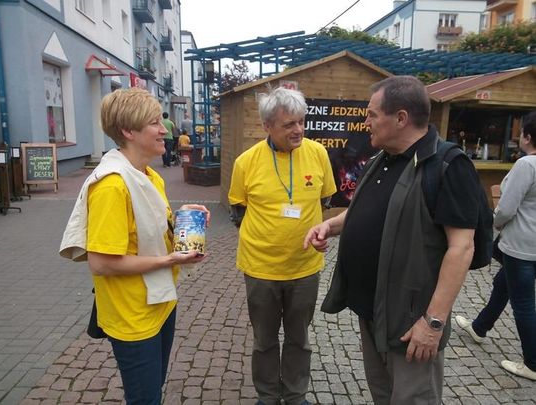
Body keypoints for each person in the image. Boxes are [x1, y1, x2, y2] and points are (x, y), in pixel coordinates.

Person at [304, 76, 480, 404]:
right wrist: (329, 226)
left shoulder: (447, 165)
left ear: (400, 118)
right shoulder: (379, 160)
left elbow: (462, 247)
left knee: (413, 398)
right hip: (373, 310)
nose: (365, 122)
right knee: (383, 395)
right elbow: (365, 211)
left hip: (411, 321)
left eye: (372, 115)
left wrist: (433, 323)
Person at [59, 88, 210, 404]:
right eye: (154, 123)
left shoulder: (148, 175)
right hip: (132, 315)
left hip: (161, 302)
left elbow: (147, 228)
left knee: (152, 391)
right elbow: (102, 263)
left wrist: (183, 218)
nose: (163, 129)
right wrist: (169, 260)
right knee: (144, 399)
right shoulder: (112, 186)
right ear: (129, 131)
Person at [228, 86, 336, 405]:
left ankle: (295, 394)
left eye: (301, 121)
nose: (298, 129)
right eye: (289, 124)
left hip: (304, 268)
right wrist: (268, 238)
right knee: (264, 340)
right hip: (260, 269)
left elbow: (325, 201)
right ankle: (267, 396)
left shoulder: (318, 153)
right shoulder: (246, 162)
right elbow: (238, 211)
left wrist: (317, 233)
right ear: (267, 126)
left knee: (299, 338)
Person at [492, 111, 536, 380]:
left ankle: (532, 362)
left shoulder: (526, 165)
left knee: (523, 304)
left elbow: (506, 208)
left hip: (521, 245)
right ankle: (480, 326)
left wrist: (495, 223)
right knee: (502, 285)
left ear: (527, 137)